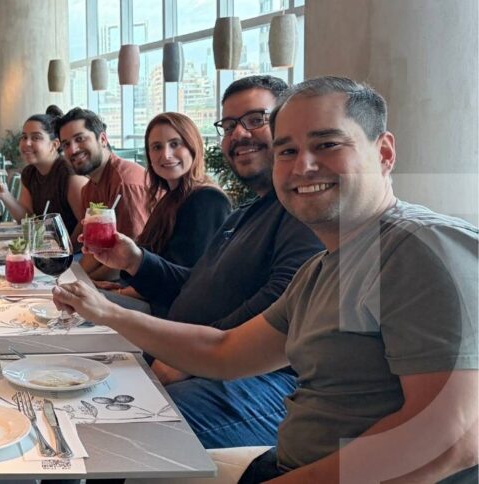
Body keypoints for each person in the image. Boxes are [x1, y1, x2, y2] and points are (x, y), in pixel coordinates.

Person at [55, 76, 478, 483]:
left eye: (327, 144)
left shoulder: (419, 248)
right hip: (286, 463)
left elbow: (455, 441)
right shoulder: (322, 268)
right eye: (287, 151)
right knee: (89, 441)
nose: (303, 166)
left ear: (384, 152)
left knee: (107, 445)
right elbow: (225, 351)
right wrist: (107, 313)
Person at [80, 76, 323, 450]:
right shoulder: (246, 213)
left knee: (114, 425)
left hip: (265, 377)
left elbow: (282, 304)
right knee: (76, 378)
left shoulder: (304, 209)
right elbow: (195, 283)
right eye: (228, 125)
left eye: (256, 119)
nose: (239, 133)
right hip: (200, 351)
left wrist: (188, 358)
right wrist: (135, 260)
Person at [55, 107, 150, 281]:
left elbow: (128, 259)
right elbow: (93, 250)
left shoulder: (124, 183)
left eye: (80, 139)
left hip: (139, 283)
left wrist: (86, 283)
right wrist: (72, 279)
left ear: (103, 139)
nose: (73, 150)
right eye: (66, 144)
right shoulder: (89, 188)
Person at [135, 112, 231, 270]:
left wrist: (120, 292)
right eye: (157, 147)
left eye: (175, 144)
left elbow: (188, 278)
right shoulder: (172, 197)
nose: (166, 155)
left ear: (193, 147)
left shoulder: (207, 199)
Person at [0, 113, 86, 236]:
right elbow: (26, 218)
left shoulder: (70, 175)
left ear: (54, 145)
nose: (27, 143)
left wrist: (67, 250)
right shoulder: (29, 173)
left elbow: (86, 223)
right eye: (24, 137)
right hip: (46, 247)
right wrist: (4, 194)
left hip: (75, 251)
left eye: (35, 137)